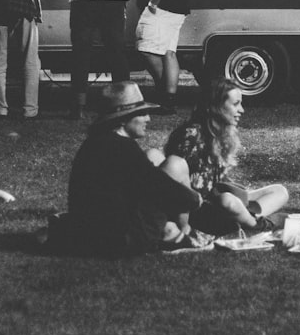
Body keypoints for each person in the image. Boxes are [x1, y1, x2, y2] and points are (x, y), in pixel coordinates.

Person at [54, 81, 204, 257]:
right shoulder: (123, 148)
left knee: (156, 162)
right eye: (142, 114)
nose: (148, 119)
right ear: (124, 118)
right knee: (174, 167)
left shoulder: (96, 142)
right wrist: (195, 199)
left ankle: (177, 232)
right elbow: (159, 185)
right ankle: (180, 235)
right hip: (117, 240)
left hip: (88, 232)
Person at [150, 77, 289, 237]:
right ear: (216, 106)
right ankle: (255, 223)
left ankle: (246, 216)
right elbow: (183, 188)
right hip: (199, 210)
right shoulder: (192, 136)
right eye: (235, 104)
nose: (242, 110)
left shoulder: (219, 132)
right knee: (228, 202)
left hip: (215, 198)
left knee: (279, 191)